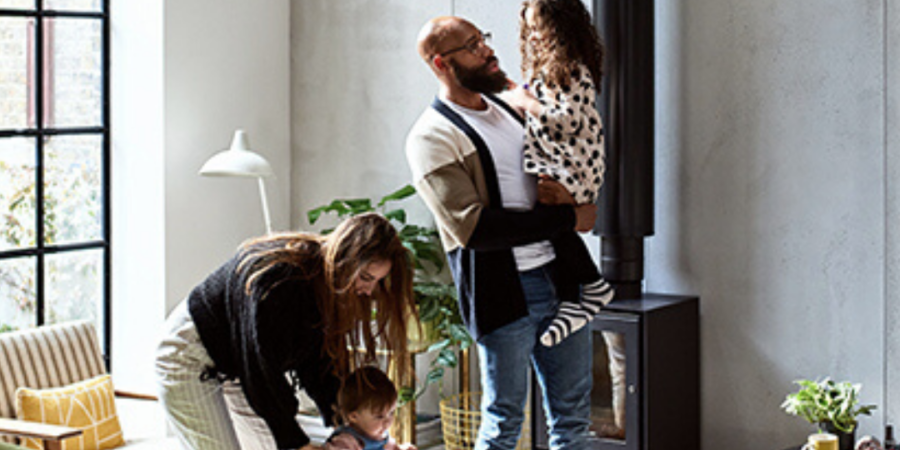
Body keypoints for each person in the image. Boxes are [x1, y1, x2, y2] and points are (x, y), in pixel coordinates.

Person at [406, 15, 597, 450]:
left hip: (560, 278)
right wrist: (570, 219)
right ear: (441, 63)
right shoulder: (431, 136)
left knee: (573, 417)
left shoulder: (512, 107)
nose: (488, 50)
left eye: (483, 39)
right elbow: (473, 227)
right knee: (504, 420)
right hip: (504, 293)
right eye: (472, 46)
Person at [155, 213, 416, 450]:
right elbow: (261, 371)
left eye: (378, 282)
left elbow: (316, 361)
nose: (369, 291)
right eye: (366, 278)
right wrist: (297, 443)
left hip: (236, 365)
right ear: (346, 260)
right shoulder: (280, 281)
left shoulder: (325, 290)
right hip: (188, 355)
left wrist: (342, 419)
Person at [505, 0, 613, 347]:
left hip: (574, 167)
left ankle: (591, 288)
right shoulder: (552, 69)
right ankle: (572, 302)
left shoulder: (571, 69)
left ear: (563, 27)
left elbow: (566, 121)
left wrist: (528, 104)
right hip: (566, 163)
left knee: (551, 221)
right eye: (530, 29)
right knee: (552, 227)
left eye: (540, 28)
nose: (534, 37)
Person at [324, 367, 415, 450]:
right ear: (354, 416)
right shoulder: (345, 442)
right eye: (379, 416)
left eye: (391, 413)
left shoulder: (382, 437)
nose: (388, 422)